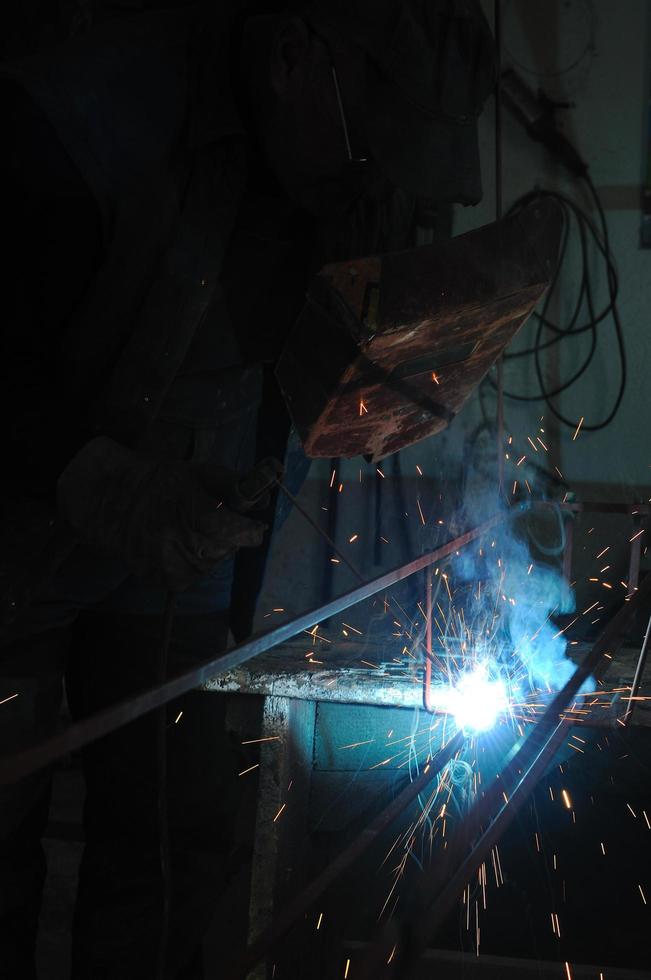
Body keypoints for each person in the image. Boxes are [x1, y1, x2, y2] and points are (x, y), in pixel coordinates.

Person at [0, 1, 496, 976]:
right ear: (293, 56)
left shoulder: (322, 160)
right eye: (370, 156)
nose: (374, 187)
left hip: (176, 543)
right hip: (14, 523)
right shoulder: (83, 105)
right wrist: (87, 469)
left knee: (173, 843)